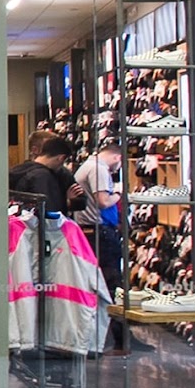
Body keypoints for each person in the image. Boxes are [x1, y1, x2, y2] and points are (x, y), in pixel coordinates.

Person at [72, 140, 128, 351]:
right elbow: (103, 201)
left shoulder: (88, 166)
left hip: (93, 232)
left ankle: (108, 336)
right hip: (100, 233)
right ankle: (120, 339)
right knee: (112, 284)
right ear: (117, 157)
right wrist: (120, 193)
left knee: (102, 283)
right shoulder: (99, 169)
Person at [8, 132, 88, 216]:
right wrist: (66, 202)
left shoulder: (15, 172)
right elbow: (49, 210)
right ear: (61, 158)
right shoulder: (43, 176)